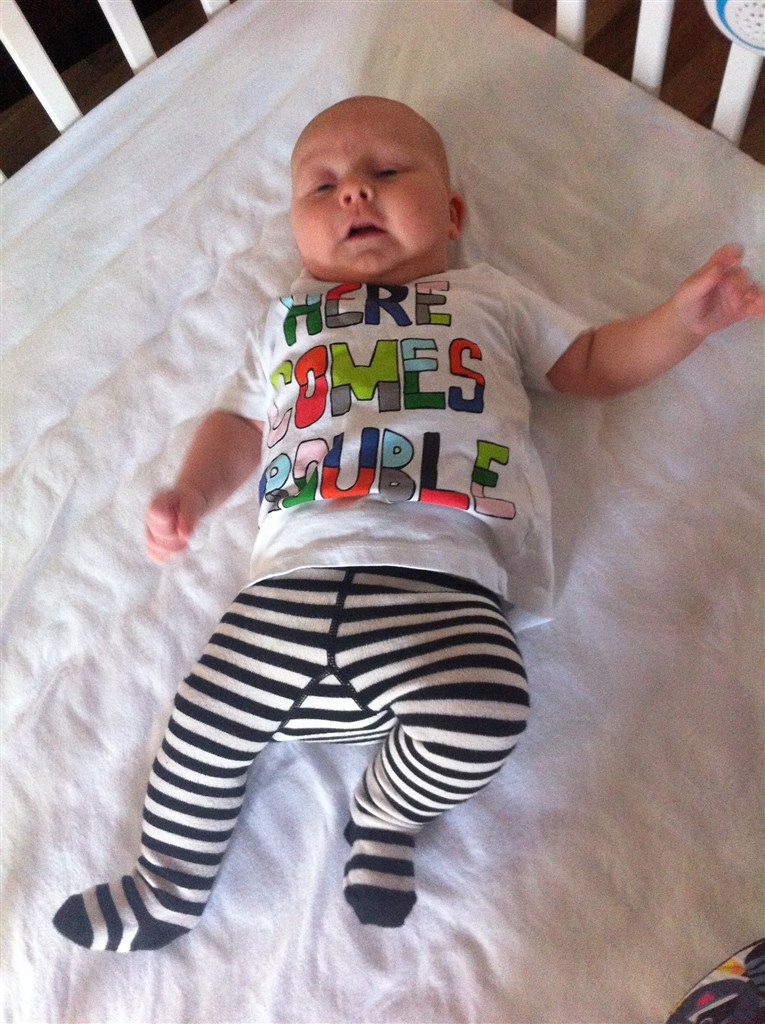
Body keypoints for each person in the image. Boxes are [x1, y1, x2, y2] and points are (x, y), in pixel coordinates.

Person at [53, 97, 765, 952]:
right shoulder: (288, 318)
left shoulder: (488, 299)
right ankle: (166, 886)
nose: (354, 192)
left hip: (442, 582)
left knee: (487, 710)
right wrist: (193, 492)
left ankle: (385, 814)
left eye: (386, 172)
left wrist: (679, 323)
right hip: (289, 585)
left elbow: (589, 363)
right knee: (201, 727)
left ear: (453, 214)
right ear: (295, 227)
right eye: (322, 186)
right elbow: (240, 423)